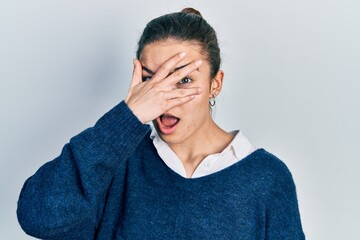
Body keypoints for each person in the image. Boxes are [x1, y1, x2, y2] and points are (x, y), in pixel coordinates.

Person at [17, 7, 305, 239]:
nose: (164, 98)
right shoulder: (117, 162)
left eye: (184, 80)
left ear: (215, 84)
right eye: (150, 80)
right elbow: (38, 217)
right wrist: (126, 119)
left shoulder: (266, 178)